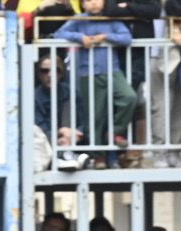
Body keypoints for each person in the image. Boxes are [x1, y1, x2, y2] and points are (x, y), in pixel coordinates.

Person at [52, 0, 137, 165]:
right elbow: (59, 34)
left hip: (112, 70)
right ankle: (98, 155)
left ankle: (115, 132)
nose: (93, 4)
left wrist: (106, 37)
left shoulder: (111, 19)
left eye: (97, 0)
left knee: (129, 97)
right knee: (94, 116)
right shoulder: (79, 19)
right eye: (88, 1)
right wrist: (80, 37)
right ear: (83, 4)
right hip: (88, 72)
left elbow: (126, 38)